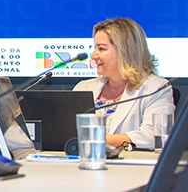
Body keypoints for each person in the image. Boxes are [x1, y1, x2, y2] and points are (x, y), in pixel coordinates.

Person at [74, 18, 174, 149]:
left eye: (101, 49)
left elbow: (154, 136)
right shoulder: (83, 87)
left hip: (129, 162)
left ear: (125, 51)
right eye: (95, 48)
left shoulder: (156, 88)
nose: (93, 56)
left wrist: (95, 140)